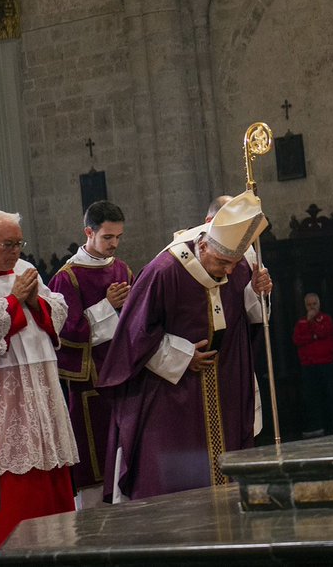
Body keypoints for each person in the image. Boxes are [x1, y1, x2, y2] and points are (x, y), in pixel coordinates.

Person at [100, 190, 272, 501]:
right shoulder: (165, 271)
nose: (229, 271)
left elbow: (245, 318)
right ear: (203, 245)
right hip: (173, 394)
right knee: (181, 487)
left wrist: (256, 292)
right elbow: (135, 334)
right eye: (223, 263)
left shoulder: (238, 264)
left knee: (227, 483)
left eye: (234, 264)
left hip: (224, 386)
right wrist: (182, 355)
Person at [0, 210, 78, 546]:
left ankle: (61, 538)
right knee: (13, 456)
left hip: (42, 375)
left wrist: (35, 300)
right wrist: (13, 300)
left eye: (19, 243)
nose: (16, 251)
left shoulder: (25, 269)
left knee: (50, 451)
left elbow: (58, 308)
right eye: (8, 244)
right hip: (3, 382)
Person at [49, 201, 132, 509]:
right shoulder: (66, 278)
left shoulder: (122, 269)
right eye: (108, 237)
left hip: (124, 378)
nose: (114, 244)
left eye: (119, 237)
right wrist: (106, 306)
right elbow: (64, 332)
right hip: (89, 386)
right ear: (89, 232)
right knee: (95, 459)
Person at [292, 292, 333, 436]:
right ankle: (317, 426)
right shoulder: (301, 322)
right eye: (309, 304)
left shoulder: (326, 319)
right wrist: (311, 333)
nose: (312, 307)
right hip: (308, 364)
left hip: (325, 362)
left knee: (330, 394)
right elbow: (297, 339)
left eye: (314, 304)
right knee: (312, 397)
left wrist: (312, 328)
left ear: (319, 304)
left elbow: (324, 332)